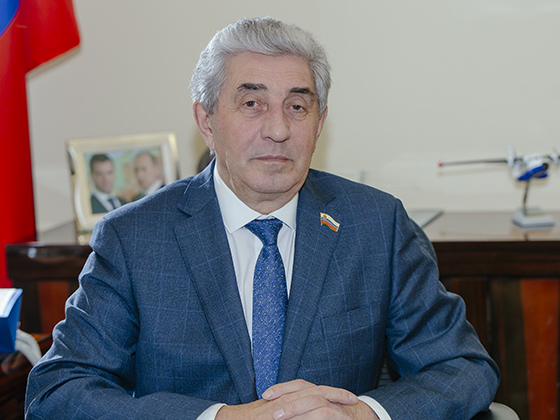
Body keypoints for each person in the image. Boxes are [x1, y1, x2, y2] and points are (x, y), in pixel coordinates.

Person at [25, 17, 499, 419]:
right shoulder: (135, 238)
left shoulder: (377, 224)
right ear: (207, 121)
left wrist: (364, 413)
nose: (277, 129)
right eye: (252, 104)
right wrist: (219, 418)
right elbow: (58, 390)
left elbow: (463, 367)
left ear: (320, 122)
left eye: (297, 106)